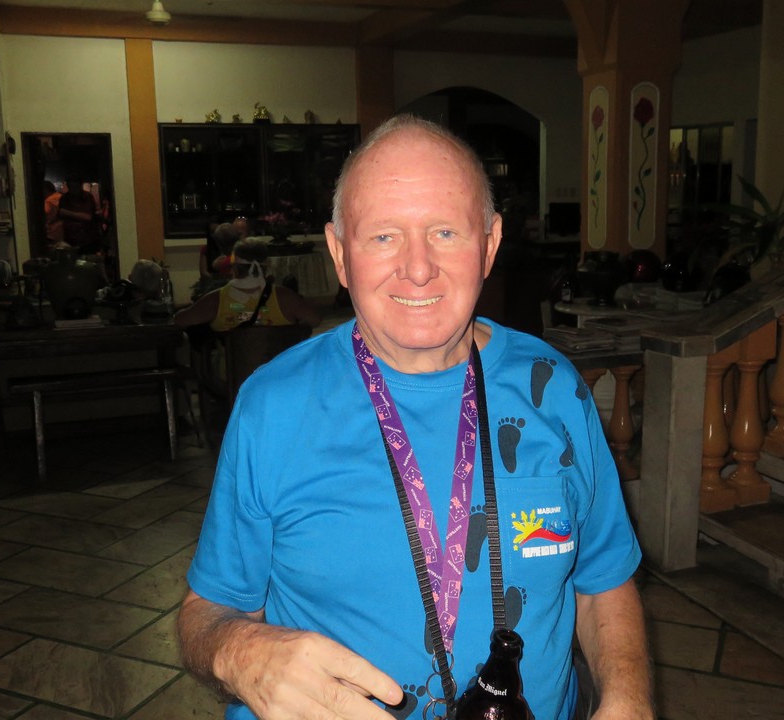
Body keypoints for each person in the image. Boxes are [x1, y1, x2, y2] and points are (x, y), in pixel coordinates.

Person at [177, 114, 653, 720]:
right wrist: (237, 651)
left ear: (490, 243)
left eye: (446, 232)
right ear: (339, 254)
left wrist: (629, 699)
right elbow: (207, 612)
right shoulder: (273, 406)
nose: (419, 268)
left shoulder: (554, 388)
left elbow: (603, 580)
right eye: (384, 236)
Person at [174, 237, 321, 333]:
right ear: (266, 266)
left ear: (234, 267)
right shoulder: (285, 297)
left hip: (233, 370)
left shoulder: (215, 300)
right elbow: (315, 319)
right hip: (277, 369)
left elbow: (180, 320)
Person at [43, 180, 64, 246]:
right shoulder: (61, 197)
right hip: (62, 230)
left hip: (51, 231)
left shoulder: (48, 201)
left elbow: (46, 214)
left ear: (45, 189)